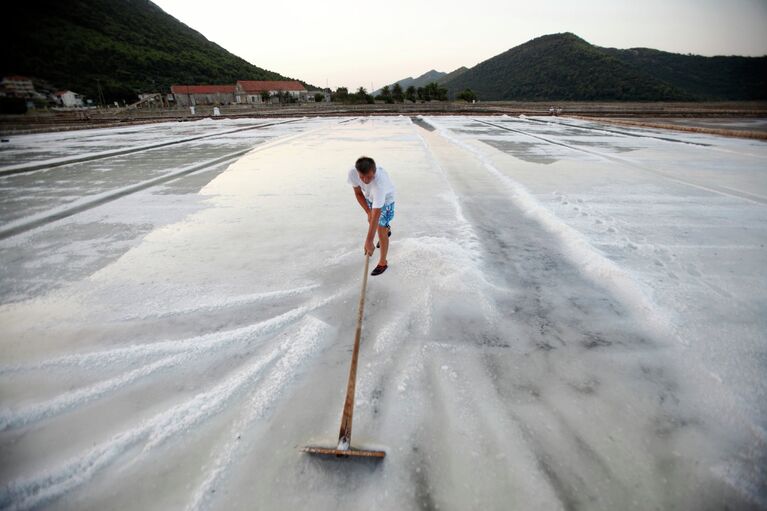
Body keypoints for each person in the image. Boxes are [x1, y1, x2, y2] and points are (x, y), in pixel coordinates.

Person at [347, 156, 395, 276]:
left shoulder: (379, 184)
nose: (365, 180)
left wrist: (369, 241)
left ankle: (383, 262)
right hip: (370, 197)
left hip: (386, 201)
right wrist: (368, 211)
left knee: (380, 230)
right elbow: (358, 193)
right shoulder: (353, 173)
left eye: (369, 177)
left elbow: (377, 214)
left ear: (374, 172)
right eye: (362, 177)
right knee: (375, 223)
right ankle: (386, 228)